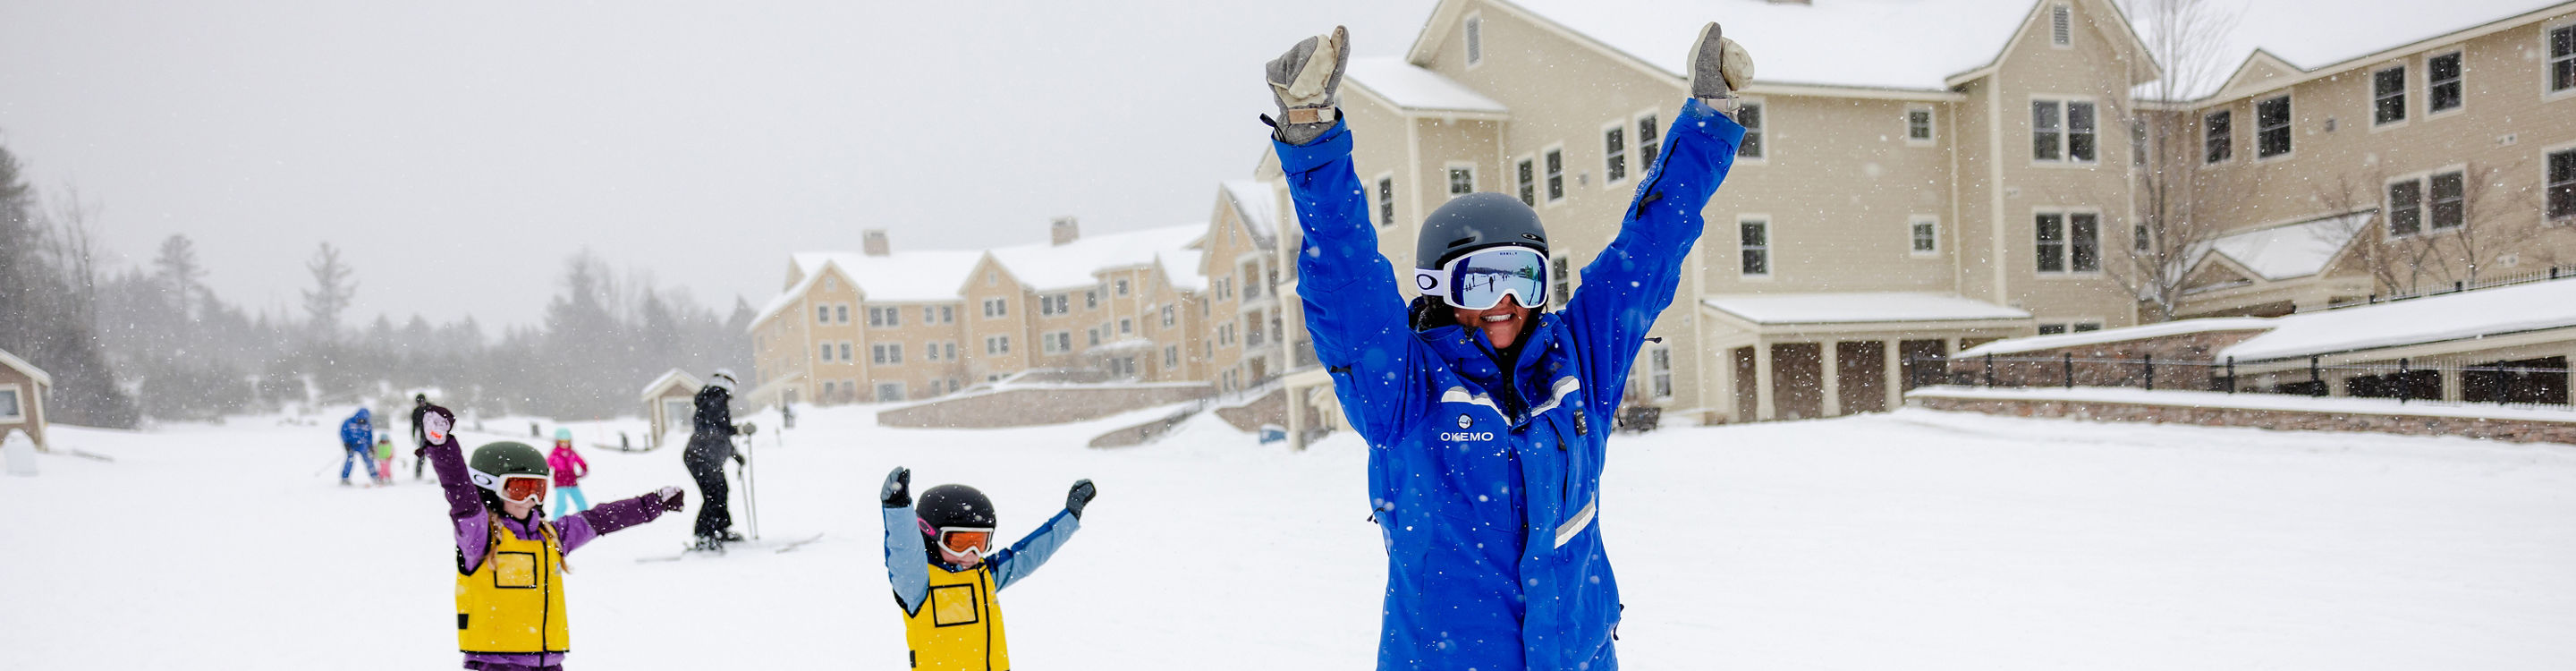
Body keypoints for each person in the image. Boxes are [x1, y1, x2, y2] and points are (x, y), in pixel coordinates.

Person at [1260, 23, 1750, 671]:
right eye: (1481, 279)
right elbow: (1347, 282)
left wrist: (1710, 122)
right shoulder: (1404, 393)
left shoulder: (1576, 370)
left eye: (1524, 277)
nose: (1506, 301)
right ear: (1439, 289)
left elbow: (1648, 251)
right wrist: (1311, 132)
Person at [419, 404, 687, 670]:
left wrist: (652, 503)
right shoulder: (481, 537)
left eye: (538, 489)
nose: (531, 500)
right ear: (490, 489)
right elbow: (461, 496)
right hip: (496, 664)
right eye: (520, 489)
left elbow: (600, 519)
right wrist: (442, 448)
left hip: (549, 663)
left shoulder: (551, 536)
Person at [877, 467, 1096, 671]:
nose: (971, 553)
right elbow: (903, 552)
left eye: (980, 542)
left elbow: (1028, 555)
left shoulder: (983, 575)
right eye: (960, 543)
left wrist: (1070, 516)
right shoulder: (917, 585)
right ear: (930, 536)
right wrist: (898, 509)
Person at [682, 369, 744, 549]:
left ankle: (719, 529)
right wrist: (737, 430)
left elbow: (719, 433)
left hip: (703, 456)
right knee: (713, 494)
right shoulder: (715, 400)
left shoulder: (712, 400)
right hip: (701, 457)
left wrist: (735, 455)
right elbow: (716, 429)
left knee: (721, 491)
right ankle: (704, 534)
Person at [546, 429, 592, 520]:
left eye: (566, 442)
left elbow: (581, 462)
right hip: (560, 482)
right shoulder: (555, 454)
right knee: (562, 505)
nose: (564, 444)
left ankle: (585, 519)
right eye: (562, 442)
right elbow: (547, 465)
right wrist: (545, 472)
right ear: (557, 442)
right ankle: (557, 522)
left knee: (581, 502)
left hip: (572, 481)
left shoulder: (572, 452)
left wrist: (584, 470)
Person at [339, 407, 377, 487]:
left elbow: (369, 436)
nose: (362, 421)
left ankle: (375, 477)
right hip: (350, 445)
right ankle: (344, 478)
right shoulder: (348, 422)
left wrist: (370, 446)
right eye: (360, 419)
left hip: (363, 445)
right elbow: (343, 432)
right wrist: (346, 443)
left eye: (364, 419)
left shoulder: (367, 425)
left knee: (369, 460)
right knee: (350, 460)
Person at [411, 394, 433, 480]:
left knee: (439, 456)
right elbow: (414, 426)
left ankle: (445, 474)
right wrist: (414, 436)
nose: (421, 403)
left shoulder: (431, 408)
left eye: (422, 401)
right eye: (419, 402)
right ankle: (418, 474)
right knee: (421, 456)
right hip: (423, 436)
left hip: (433, 435)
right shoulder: (416, 411)